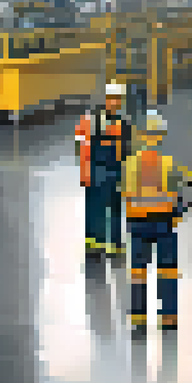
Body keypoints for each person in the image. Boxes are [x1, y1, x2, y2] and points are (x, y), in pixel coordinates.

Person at [123, 111, 192, 332]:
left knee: (138, 272)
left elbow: (124, 194)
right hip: (164, 225)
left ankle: (138, 318)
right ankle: (168, 318)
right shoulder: (170, 165)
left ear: (141, 135)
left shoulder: (130, 164)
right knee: (167, 272)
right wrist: (176, 215)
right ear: (160, 136)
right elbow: (186, 197)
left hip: (137, 226)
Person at [77, 83, 133, 257]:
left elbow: (127, 151)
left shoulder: (124, 122)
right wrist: (85, 170)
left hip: (116, 170)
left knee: (116, 207)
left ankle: (115, 245)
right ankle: (94, 244)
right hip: (96, 169)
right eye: (112, 99)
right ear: (106, 99)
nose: (115, 103)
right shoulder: (91, 119)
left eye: (118, 100)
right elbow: (83, 145)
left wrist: (129, 175)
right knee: (95, 208)